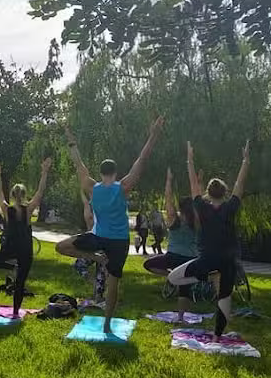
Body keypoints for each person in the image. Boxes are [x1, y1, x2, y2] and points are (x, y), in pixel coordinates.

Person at [56, 117, 164, 334]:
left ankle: (97, 259)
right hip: (118, 242)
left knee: (61, 247)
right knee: (113, 283)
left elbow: (79, 165)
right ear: (114, 173)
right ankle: (107, 325)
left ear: (101, 171)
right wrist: (153, 135)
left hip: (99, 239)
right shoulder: (122, 187)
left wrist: (71, 140)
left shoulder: (92, 187)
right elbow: (141, 161)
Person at [168, 141, 250, 335]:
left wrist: (189, 159)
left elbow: (193, 184)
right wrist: (246, 160)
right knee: (225, 296)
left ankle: (206, 276)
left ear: (208, 193)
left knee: (173, 277)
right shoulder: (230, 207)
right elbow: (240, 184)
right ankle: (218, 335)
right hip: (228, 260)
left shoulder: (201, 207)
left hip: (207, 259)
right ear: (225, 192)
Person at [0, 158, 52, 318]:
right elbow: (40, 193)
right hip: (25, 251)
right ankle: (15, 313)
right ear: (24, 194)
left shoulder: (7, 209)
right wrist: (44, 172)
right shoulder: (27, 210)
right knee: (20, 284)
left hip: (11, 250)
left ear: (13, 195)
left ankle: (11, 267)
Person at [143, 168, 198, 278]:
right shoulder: (197, 222)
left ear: (180, 208)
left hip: (173, 257)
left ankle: (171, 276)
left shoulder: (174, 220)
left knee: (148, 264)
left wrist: (169, 180)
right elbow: (199, 199)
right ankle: (182, 279)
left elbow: (168, 198)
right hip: (191, 259)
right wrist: (199, 181)